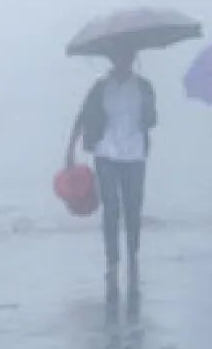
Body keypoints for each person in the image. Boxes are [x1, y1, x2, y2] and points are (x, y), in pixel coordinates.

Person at [65, 50, 157, 284]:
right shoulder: (101, 87)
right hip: (106, 152)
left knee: (133, 207)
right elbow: (83, 116)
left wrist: (148, 107)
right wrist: (70, 148)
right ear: (113, 61)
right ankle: (112, 258)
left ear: (132, 59)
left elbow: (152, 120)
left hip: (135, 154)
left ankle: (133, 254)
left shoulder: (144, 86)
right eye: (119, 59)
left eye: (126, 58)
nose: (122, 62)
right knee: (111, 207)